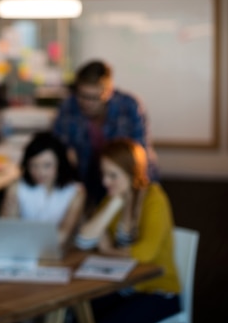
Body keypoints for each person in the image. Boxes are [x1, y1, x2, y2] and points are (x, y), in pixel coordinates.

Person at [74, 138, 179, 323]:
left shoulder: (154, 198)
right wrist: (114, 204)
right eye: (103, 174)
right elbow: (84, 241)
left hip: (158, 291)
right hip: (124, 287)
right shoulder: (113, 199)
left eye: (113, 175)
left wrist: (108, 252)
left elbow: (145, 254)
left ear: (132, 172)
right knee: (75, 314)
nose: (105, 181)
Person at [52, 60, 158, 212]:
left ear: (109, 91)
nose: (86, 103)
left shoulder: (129, 106)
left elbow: (140, 155)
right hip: (85, 180)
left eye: (94, 98)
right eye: (82, 96)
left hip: (124, 180)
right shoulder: (68, 107)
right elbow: (58, 149)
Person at [0, 131, 86, 247]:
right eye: (34, 165)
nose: (40, 172)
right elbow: (5, 229)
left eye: (47, 165)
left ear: (60, 163)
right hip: (23, 251)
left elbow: (63, 235)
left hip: (57, 253)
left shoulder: (76, 192)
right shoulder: (17, 187)